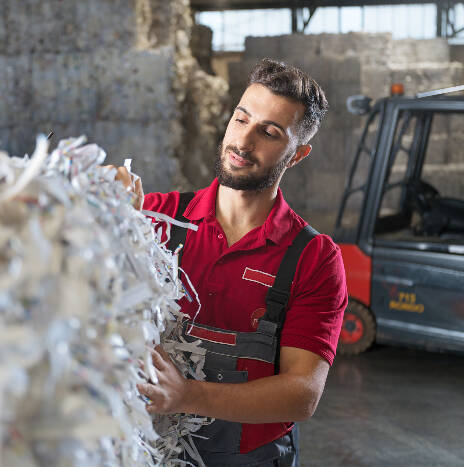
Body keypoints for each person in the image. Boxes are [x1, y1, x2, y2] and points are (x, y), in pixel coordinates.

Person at [112, 58, 347, 466]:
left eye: (269, 132)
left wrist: (187, 395)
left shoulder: (313, 258)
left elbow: (302, 394)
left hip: (250, 458)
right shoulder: (152, 219)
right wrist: (102, 217)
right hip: (148, 450)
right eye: (241, 120)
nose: (243, 141)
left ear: (296, 155)